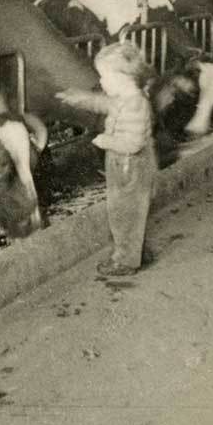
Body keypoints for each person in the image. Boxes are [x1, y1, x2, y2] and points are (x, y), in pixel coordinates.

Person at [57, 40, 159, 277]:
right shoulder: (126, 97)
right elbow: (104, 104)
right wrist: (80, 98)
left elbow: (133, 144)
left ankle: (125, 261)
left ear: (124, 78)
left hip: (128, 163)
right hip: (126, 162)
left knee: (123, 214)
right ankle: (137, 252)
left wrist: (106, 141)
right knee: (133, 211)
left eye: (105, 77)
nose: (101, 82)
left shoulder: (135, 105)